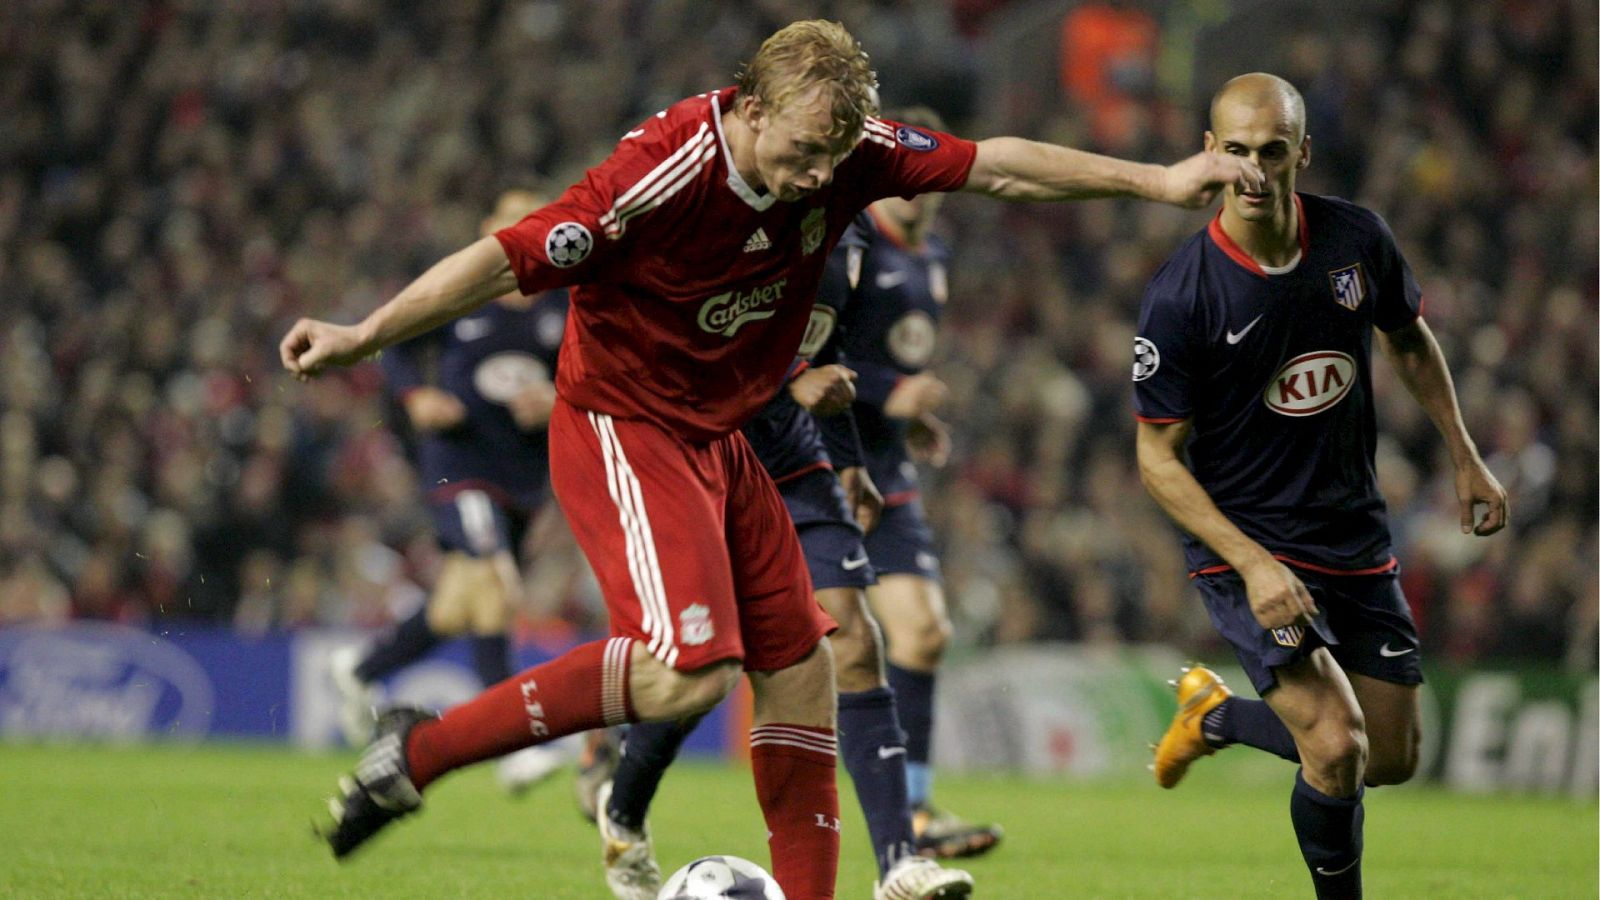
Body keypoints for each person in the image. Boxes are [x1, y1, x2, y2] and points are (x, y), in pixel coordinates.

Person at [279, 21, 1260, 899]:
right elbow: (504, 257)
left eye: (832, 157)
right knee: (685, 675)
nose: (815, 178)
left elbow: (995, 165)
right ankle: (422, 750)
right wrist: (368, 333)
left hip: (725, 430)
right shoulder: (656, 177)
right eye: (798, 152)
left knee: (800, 668)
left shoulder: (848, 151)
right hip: (626, 423)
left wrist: (1156, 180)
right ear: (749, 112)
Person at [1133, 73, 1507, 900]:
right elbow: (1157, 459)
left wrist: (1464, 453)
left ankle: (1214, 717)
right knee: (1336, 746)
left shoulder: (1355, 239)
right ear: (1209, 154)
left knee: (1394, 755)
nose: (1255, 173)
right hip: (1249, 542)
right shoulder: (1182, 296)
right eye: (1236, 153)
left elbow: (1408, 340)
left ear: (1303, 151)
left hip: (1352, 531)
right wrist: (1253, 565)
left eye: (1273, 152)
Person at [592, 217, 972, 898]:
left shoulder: (852, 228)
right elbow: (688, 333)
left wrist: (849, 460)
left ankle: (900, 862)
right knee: (700, 666)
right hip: (701, 452)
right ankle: (622, 806)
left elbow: (831, 350)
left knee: (855, 640)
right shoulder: (737, 207)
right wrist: (788, 375)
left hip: (798, 458)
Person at [326, 190, 572, 792]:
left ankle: (362, 667)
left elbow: (590, 375)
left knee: (460, 603)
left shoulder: (566, 303)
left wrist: (559, 399)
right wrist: (417, 397)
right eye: (510, 220)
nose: (523, 231)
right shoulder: (464, 286)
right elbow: (398, 347)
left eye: (533, 221)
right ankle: (512, 742)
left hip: (519, 478)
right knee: (495, 580)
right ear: (489, 228)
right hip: (457, 464)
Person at [823, 107, 1002, 860]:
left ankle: (918, 813)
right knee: (763, 647)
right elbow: (813, 350)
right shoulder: (852, 240)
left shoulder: (934, 254)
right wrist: (888, 392)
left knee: (925, 635)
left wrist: (907, 417)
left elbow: (894, 359)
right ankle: (622, 750)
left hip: (887, 465)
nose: (910, 188)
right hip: (823, 458)